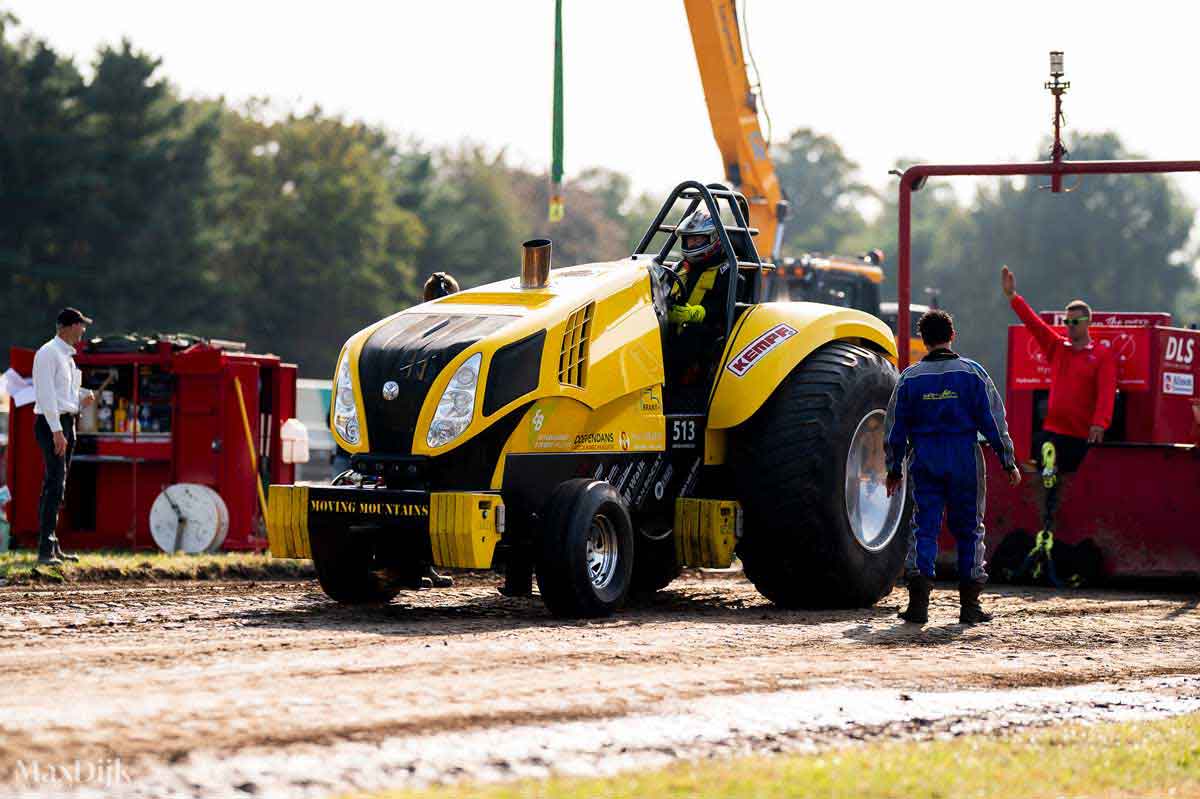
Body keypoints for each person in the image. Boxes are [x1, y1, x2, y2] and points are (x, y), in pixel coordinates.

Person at [885, 309, 1021, 625]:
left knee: (924, 527)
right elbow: (993, 421)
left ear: (925, 340)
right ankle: (970, 607)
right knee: (970, 528)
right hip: (964, 458)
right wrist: (1007, 461)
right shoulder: (973, 374)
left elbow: (895, 429)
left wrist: (894, 469)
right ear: (952, 336)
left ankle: (918, 606)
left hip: (924, 459)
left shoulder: (909, 378)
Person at [1001, 266, 1116, 585]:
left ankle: (1064, 537)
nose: (1069, 327)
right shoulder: (1057, 348)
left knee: (1072, 485)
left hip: (1081, 437)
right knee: (1047, 467)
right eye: (1066, 322)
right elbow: (1035, 326)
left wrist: (1099, 423)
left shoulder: (1101, 356)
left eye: (1075, 322)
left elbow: (1107, 393)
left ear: (1088, 323)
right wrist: (1014, 298)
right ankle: (1043, 516)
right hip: (1054, 433)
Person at [32, 308, 96, 565]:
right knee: (54, 483)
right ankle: (45, 549)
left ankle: (52, 544)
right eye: (81, 325)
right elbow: (46, 395)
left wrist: (82, 394)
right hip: (53, 425)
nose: (83, 330)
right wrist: (57, 431)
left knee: (59, 484)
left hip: (64, 423)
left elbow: (63, 392)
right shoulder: (48, 353)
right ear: (68, 326)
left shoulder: (66, 356)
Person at [665, 208, 741, 409]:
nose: (692, 245)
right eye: (689, 240)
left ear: (713, 238)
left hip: (709, 339)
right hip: (673, 334)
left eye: (698, 240)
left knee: (690, 342)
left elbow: (727, 307)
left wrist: (698, 313)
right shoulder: (679, 268)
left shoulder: (729, 272)